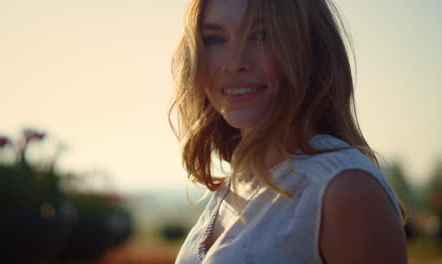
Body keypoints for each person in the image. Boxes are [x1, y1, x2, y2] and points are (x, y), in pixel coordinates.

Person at [169, 0, 408, 263]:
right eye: (214, 39)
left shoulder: (344, 189)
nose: (234, 63)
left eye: (261, 35)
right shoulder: (235, 184)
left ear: (312, 48)